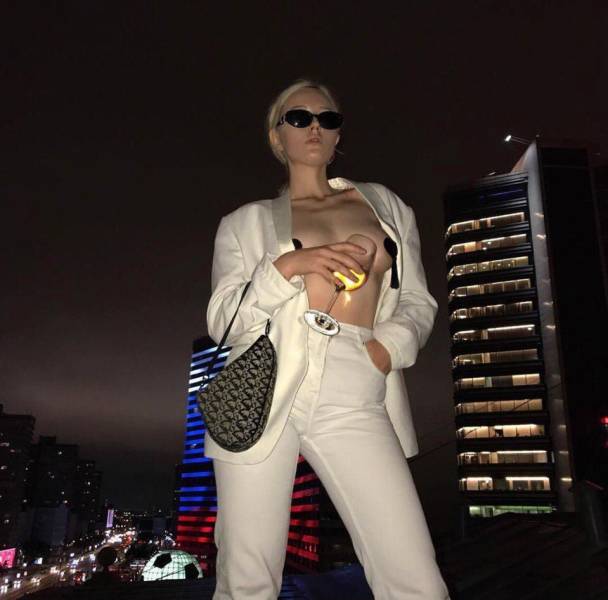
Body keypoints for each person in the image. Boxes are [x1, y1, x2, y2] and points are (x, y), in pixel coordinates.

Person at [205, 78, 451, 599]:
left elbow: (417, 301)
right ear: (277, 135)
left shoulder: (385, 206)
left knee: (414, 573)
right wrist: (288, 266)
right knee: (247, 578)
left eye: (327, 118)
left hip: (355, 378)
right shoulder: (244, 223)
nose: (314, 127)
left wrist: (384, 350)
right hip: (265, 381)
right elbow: (223, 318)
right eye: (298, 117)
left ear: (339, 135)